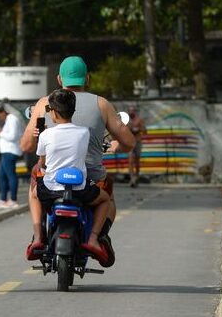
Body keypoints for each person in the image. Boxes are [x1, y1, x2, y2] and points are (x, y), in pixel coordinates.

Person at [20, 56, 136, 267]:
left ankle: (38, 236)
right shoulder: (101, 104)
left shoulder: (44, 104)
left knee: (35, 182)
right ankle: (98, 237)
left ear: (58, 79)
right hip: (87, 178)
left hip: (52, 178)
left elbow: (26, 146)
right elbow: (129, 142)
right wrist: (118, 146)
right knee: (107, 195)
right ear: (88, 79)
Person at [36, 89, 111, 263]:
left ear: (53, 112)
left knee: (33, 194)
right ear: (73, 111)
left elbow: (41, 163)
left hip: (51, 190)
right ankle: (93, 239)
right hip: (79, 189)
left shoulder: (46, 134)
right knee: (105, 199)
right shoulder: (84, 132)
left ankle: (38, 237)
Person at [0, 102, 23, 209]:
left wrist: (1, 133)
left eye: (0, 113)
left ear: (4, 112)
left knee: (10, 175)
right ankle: (3, 199)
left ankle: (13, 199)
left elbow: (13, 136)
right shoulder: (10, 119)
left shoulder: (12, 119)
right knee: (2, 175)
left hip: (10, 151)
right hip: (6, 151)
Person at [127, 105, 146, 188]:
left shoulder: (139, 120)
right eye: (130, 110)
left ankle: (137, 176)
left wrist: (138, 129)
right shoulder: (127, 120)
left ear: (135, 111)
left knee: (137, 161)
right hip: (130, 142)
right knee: (130, 160)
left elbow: (145, 130)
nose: (131, 112)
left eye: (132, 110)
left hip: (137, 142)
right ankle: (132, 179)